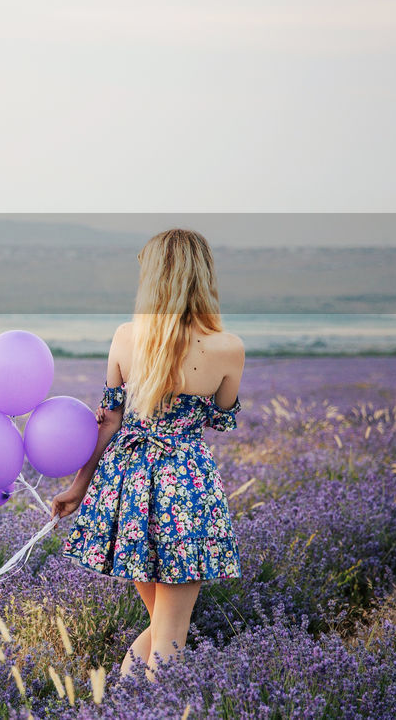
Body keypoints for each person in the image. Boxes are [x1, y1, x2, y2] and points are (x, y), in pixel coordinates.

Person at [50, 227, 245, 682]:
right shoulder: (228, 347)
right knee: (171, 633)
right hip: (185, 488)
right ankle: (139, 706)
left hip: (129, 487)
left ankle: (123, 703)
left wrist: (78, 488)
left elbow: (109, 421)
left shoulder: (125, 337)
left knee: (163, 628)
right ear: (203, 276)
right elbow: (220, 418)